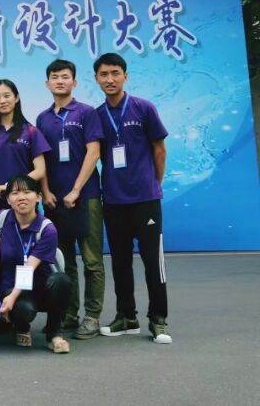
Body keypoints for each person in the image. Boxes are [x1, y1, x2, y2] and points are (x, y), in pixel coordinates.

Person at [93, 53, 171, 344]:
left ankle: (158, 319)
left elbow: (159, 150)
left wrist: (153, 184)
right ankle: (126, 317)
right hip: (113, 201)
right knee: (120, 262)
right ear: (96, 79)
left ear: (125, 76)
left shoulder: (143, 108)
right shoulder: (97, 115)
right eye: (104, 74)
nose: (110, 79)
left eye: (115, 73)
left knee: (153, 262)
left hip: (145, 199)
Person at [35, 59, 105, 340]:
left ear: (74, 82)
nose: (60, 81)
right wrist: (46, 191)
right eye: (55, 77)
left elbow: (94, 152)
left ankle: (92, 316)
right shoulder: (43, 118)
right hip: (55, 201)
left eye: (65, 77)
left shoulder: (86, 112)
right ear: (47, 83)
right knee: (65, 262)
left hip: (85, 197)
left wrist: (76, 190)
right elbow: (41, 158)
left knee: (92, 261)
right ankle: (68, 314)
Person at [0, 175, 72, 353]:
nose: (21, 197)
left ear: (38, 197)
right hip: (12, 286)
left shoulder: (47, 229)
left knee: (62, 281)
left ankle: (54, 334)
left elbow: (29, 267)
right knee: (23, 310)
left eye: (27, 192)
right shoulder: (1, 219)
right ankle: (21, 327)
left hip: (41, 287)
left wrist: (11, 298)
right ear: (8, 200)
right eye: (15, 193)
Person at [0, 79, 49, 209]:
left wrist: (10, 187)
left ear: (16, 98)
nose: (2, 101)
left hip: (23, 200)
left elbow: (40, 170)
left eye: (7, 96)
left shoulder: (31, 132)